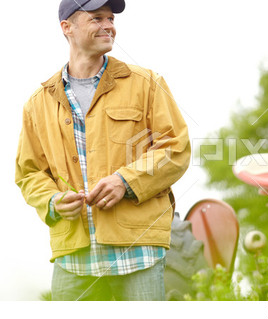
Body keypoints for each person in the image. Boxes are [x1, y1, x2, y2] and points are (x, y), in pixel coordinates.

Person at [15, 0, 190, 301]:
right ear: (66, 27)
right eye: (97, 18)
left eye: (110, 18)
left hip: (139, 252)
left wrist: (126, 181)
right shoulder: (38, 103)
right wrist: (53, 201)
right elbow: (30, 173)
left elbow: (176, 148)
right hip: (74, 259)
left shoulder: (147, 83)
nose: (109, 25)